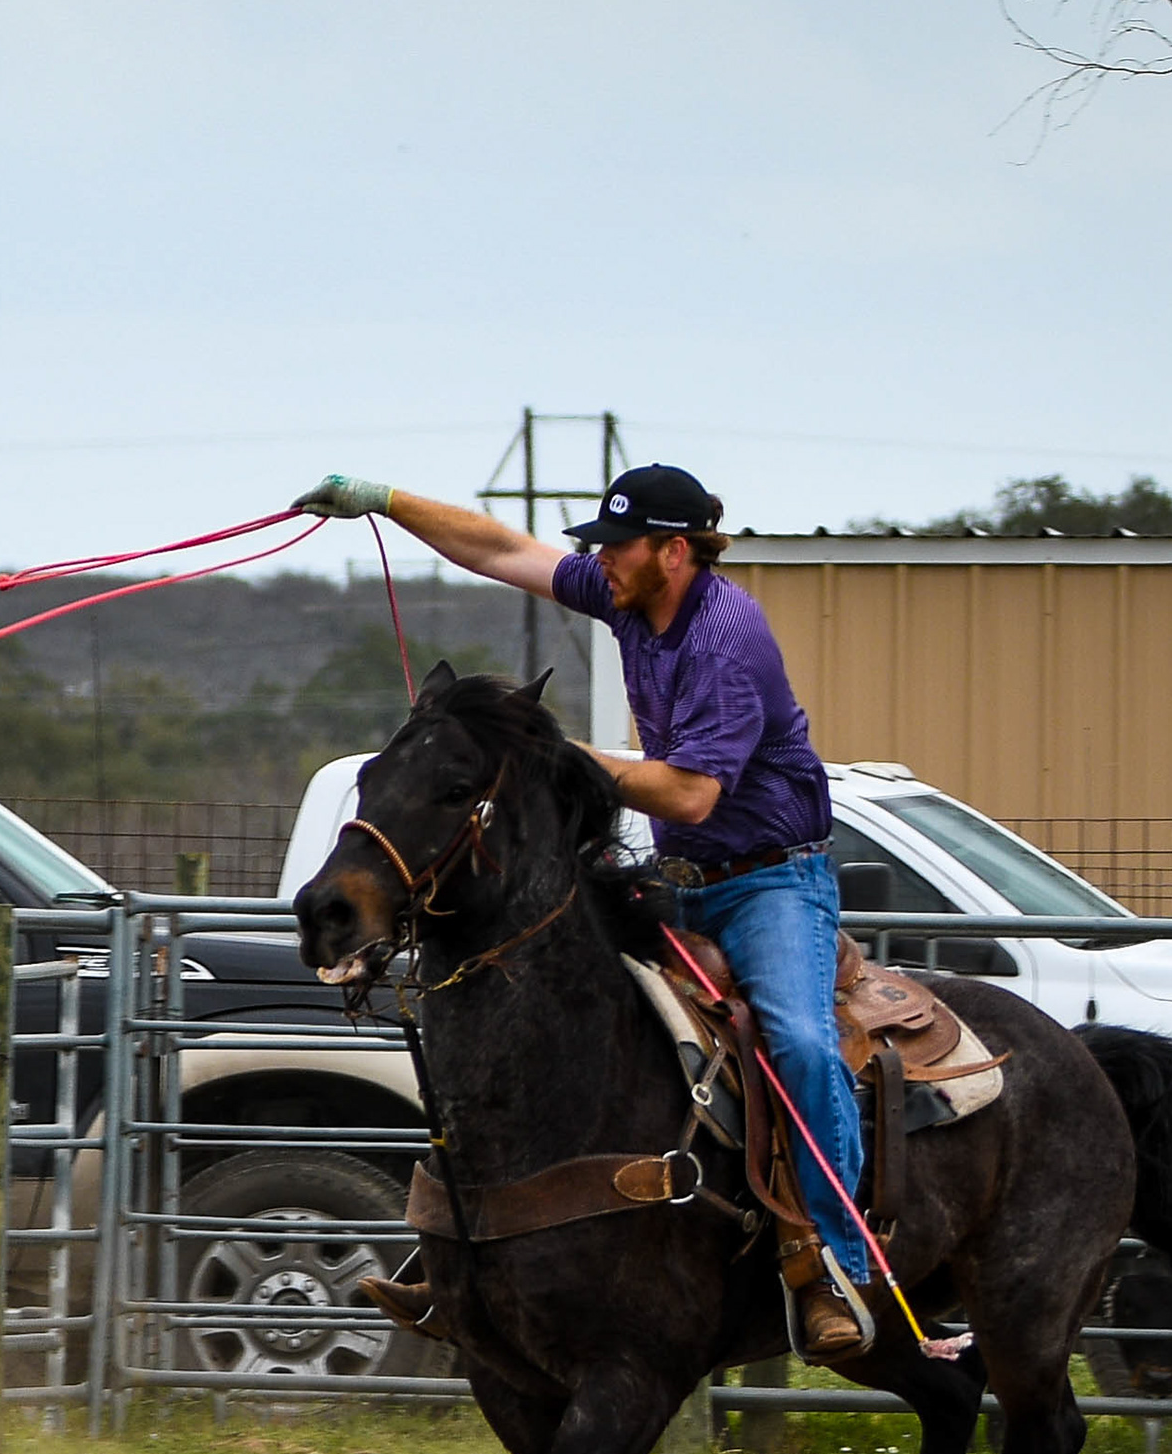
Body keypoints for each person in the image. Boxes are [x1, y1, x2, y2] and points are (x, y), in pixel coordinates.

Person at [293, 461, 878, 1362]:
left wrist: (549, 751)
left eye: (617, 544)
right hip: (682, 876)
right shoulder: (629, 595)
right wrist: (388, 502)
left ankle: (836, 1266)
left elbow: (690, 793)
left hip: (771, 884)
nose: (600, 559)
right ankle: (472, 1253)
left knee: (799, 1041)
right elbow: (501, 549)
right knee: (544, 1006)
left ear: (672, 551)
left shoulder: (726, 638)